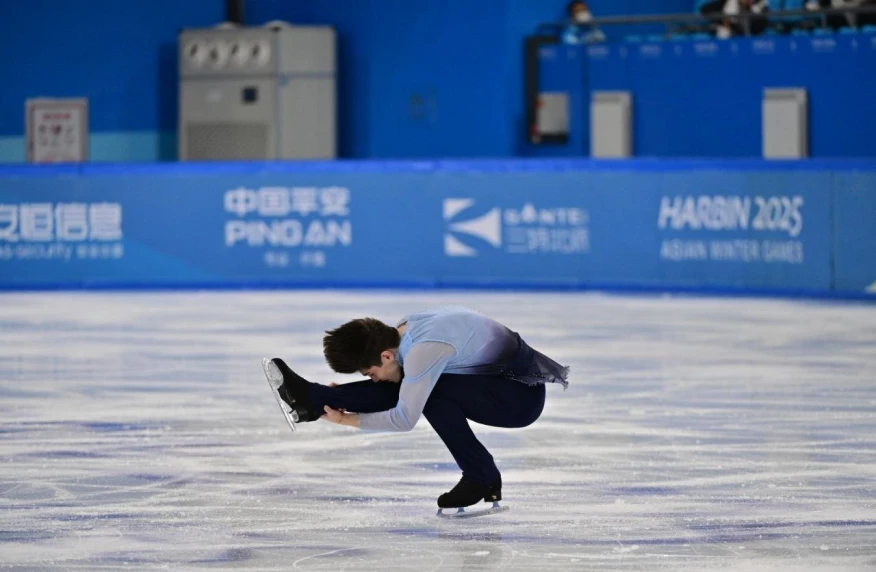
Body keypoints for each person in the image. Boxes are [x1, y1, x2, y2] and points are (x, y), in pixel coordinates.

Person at [267, 306, 569, 509]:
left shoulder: (424, 349)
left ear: (385, 355)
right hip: (495, 382)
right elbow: (403, 381)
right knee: (411, 384)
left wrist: (346, 419)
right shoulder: (405, 331)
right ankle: (314, 398)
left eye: (370, 374)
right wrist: (342, 397)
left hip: (517, 400)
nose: (373, 379)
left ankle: (481, 477)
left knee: (429, 393)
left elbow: (404, 418)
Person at [701, 0, 770, 37]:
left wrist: (750, 7)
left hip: (751, 38)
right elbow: (705, 9)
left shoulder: (761, 5)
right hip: (732, 36)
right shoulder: (729, 2)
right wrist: (724, 21)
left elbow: (759, 28)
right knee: (723, 33)